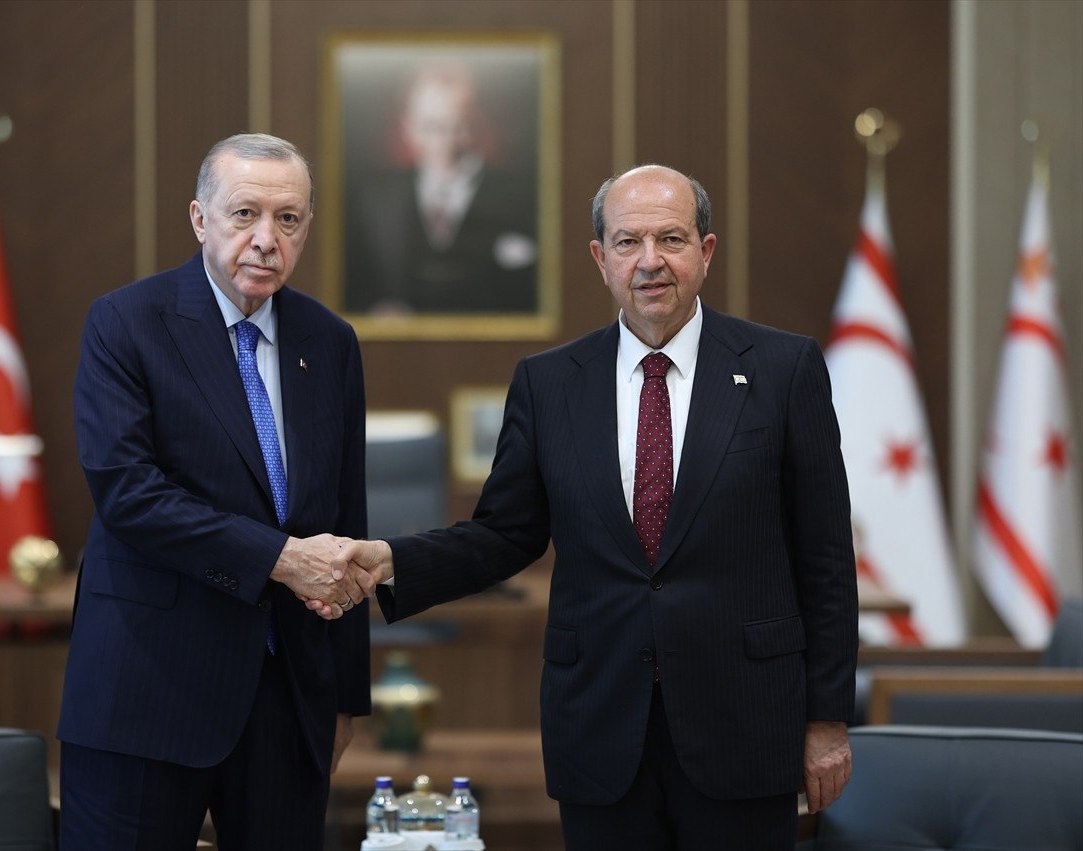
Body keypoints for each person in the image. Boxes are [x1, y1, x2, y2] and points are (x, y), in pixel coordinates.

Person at [321, 165, 859, 849]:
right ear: (601, 259)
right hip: (602, 727)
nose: (650, 261)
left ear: (706, 251)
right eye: (628, 242)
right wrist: (391, 560)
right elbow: (504, 534)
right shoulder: (549, 383)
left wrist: (827, 720)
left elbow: (825, 559)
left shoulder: (784, 369)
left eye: (671, 239)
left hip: (745, 724)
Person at [58, 134, 372, 850]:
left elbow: (346, 521)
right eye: (244, 214)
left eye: (287, 219)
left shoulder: (330, 341)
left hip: (287, 700)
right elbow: (130, 494)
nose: (266, 239)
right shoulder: (126, 322)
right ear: (201, 219)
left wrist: (345, 698)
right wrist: (281, 559)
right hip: (148, 689)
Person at [344, 61, 539, 315]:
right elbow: (353, 284)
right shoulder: (376, 200)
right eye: (431, 126)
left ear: (478, 125)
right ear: (408, 127)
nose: (444, 141)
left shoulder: (522, 198)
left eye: (458, 126)